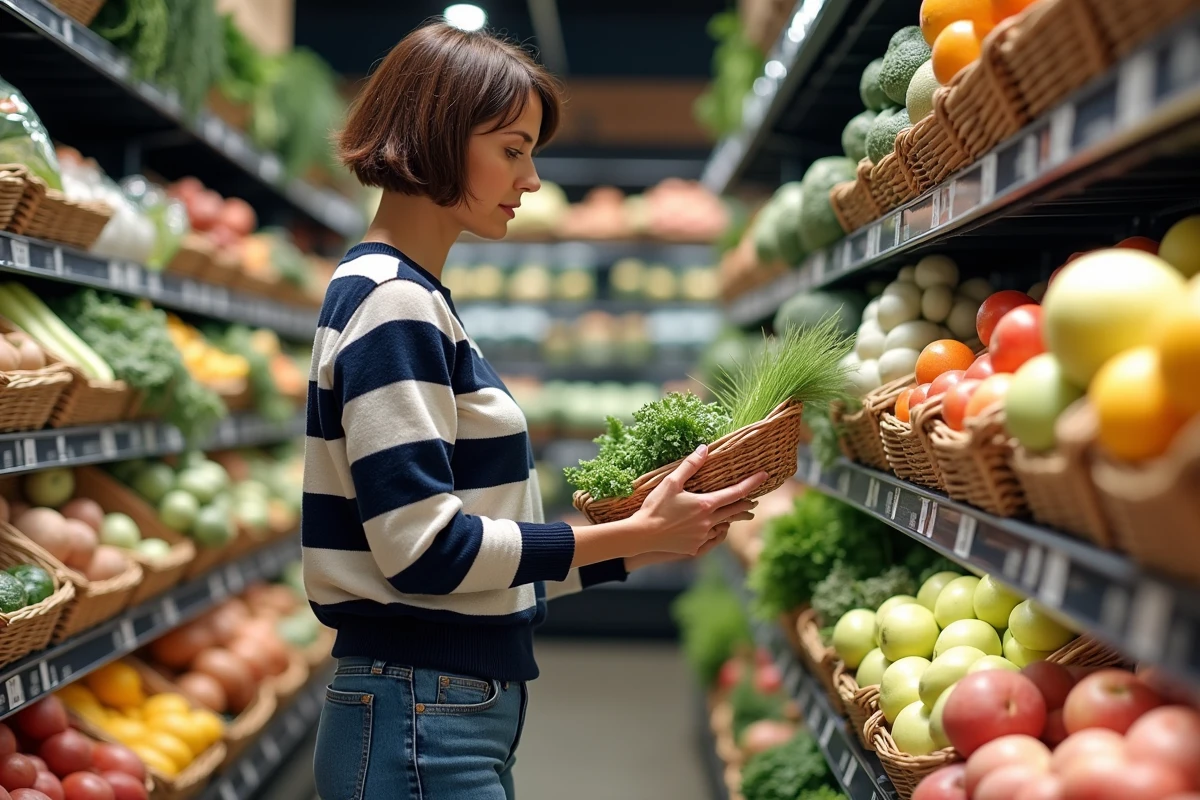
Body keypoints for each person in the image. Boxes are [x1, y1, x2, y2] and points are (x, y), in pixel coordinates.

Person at [304, 20, 765, 800]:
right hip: (423, 715)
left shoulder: (401, 295)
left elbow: (462, 570)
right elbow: (424, 553)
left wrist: (641, 546)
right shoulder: (396, 305)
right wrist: (627, 534)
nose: (532, 181)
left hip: (433, 708)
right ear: (438, 137)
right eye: (513, 150)